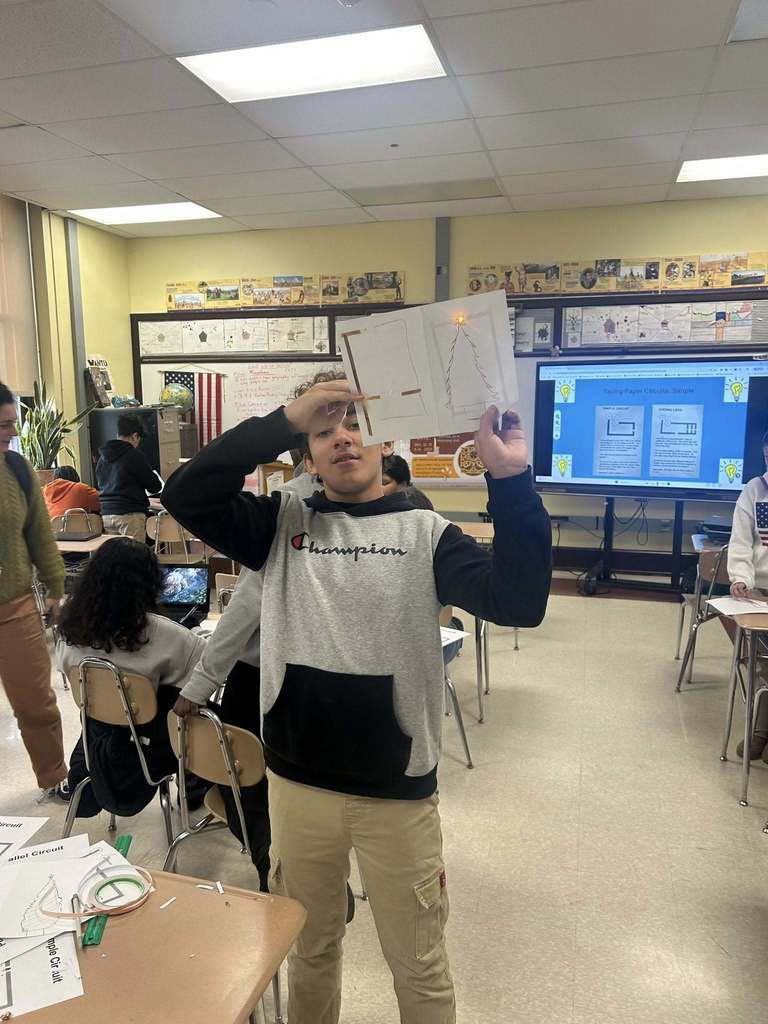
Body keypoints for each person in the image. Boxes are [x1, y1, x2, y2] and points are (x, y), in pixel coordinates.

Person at [163, 373, 551, 1024]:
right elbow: (187, 491)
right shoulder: (275, 524)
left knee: (420, 966)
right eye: (324, 427)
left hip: (395, 795)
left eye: (356, 424)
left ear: (382, 443)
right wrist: (284, 418)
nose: (343, 436)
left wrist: (511, 482)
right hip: (296, 787)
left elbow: (519, 602)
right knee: (309, 951)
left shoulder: (425, 531)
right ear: (305, 452)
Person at [56, 538, 207, 817]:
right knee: (200, 710)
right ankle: (197, 783)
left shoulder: (70, 626)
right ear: (150, 582)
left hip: (97, 731)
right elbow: (204, 676)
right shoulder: (168, 635)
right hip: (151, 744)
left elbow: (65, 668)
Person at [0, 380, 68, 798]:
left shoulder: (18, 471)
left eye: (12, 423)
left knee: (36, 704)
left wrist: (57, 588)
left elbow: (40, 536)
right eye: (1, 425)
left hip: (15, 607)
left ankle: (55, 776)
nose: (10, 433)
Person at [727, 431, 768, 758]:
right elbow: (741, 543)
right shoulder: (754, 491)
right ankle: (760, 731)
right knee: (761, 664)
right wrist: (741, 578)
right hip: (759, 591)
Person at [96, 413, 162, 542]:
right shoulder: (134, 455)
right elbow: (155, 486)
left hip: (107, 514)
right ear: (135, 436)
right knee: (134, 556)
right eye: (138, 439)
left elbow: (100, 483)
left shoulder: (102, 458)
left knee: (115, 556)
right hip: (130, 515)